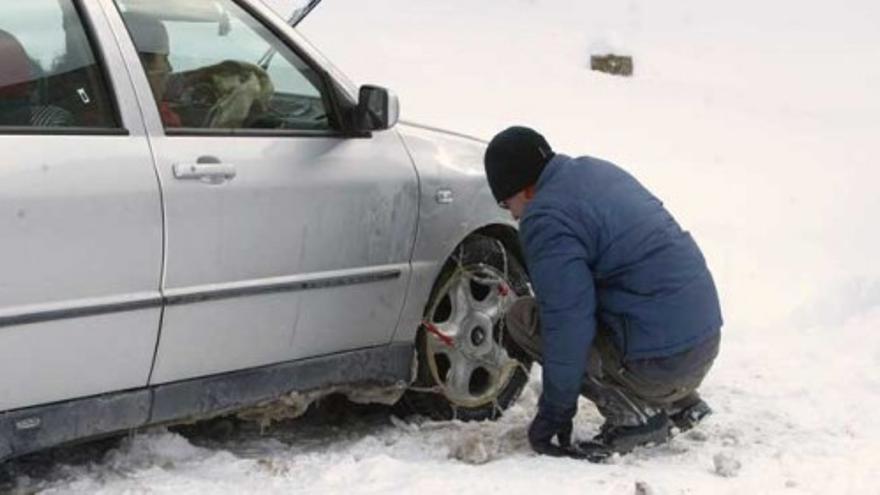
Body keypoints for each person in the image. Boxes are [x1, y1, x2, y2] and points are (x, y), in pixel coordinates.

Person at [484, 126, 722, 461]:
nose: (511, 213)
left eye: (505, 201)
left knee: (524, 318)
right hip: (702, 344)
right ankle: (680, 402)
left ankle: (636, 416)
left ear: (525, 187)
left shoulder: (546, 217)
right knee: (619, 293)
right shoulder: (594, 172)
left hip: (661, 363)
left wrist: (555, 413)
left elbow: (567, 325)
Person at [123, 13, 181, 127]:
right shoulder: (159, 122)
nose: (169, 68)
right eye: (164, 58)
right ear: (143, 66)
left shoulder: (109, 116)